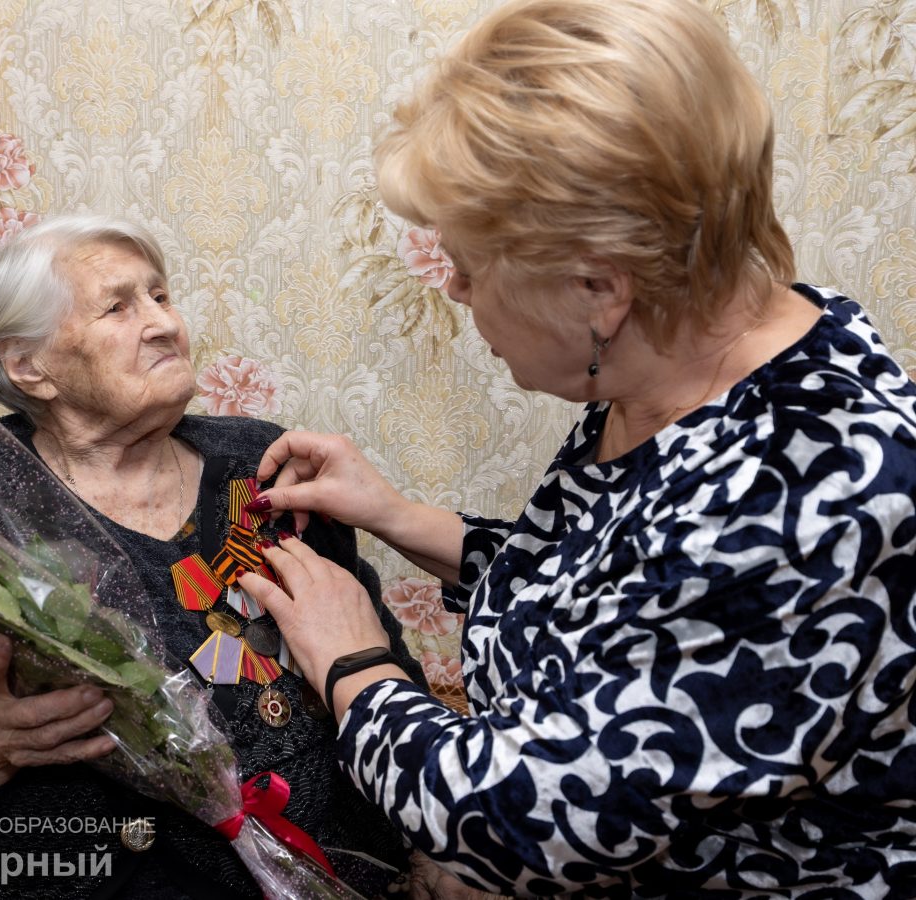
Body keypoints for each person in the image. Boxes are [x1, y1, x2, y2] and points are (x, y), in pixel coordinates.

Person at [232, 0, 916, 896]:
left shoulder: (814, 493)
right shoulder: (684, 349)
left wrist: (354, 661)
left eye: (470, 269)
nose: (457, 293)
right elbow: (608, 594)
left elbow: (521, 824)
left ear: (599, 288)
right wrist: (402, 517)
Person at [0, 214, 426, 898]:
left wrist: (437, 844)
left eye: (161, 296)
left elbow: (375, 659)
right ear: (28, 365)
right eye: (118, 307)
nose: (163, 324)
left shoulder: (261, 463)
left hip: (339, 864)